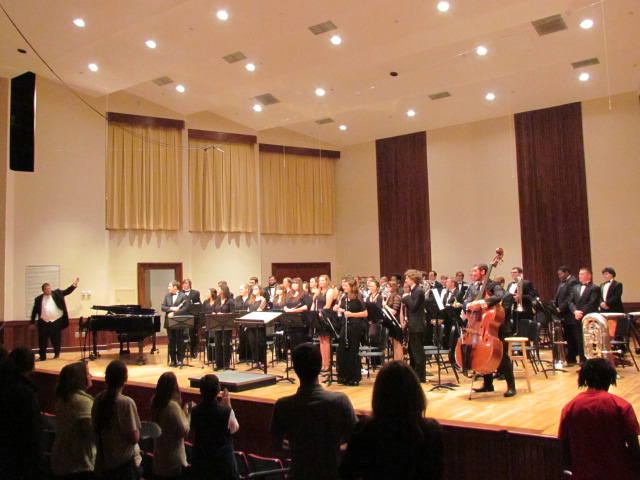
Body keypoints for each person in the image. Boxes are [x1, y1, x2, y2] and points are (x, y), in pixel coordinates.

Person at [341, 360, 444, 480]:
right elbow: (436, 474)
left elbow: (348, 473)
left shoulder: (364, 431)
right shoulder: (432, 431)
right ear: (416, 393)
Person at [270, 343, 357, 480]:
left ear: (295, 368)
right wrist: (330, 449)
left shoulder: (282, 405)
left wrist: (302, 449)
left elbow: (276, 445)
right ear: (320, 365)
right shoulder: (340, 401)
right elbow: (356, 443)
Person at [558, 358, 640, 480]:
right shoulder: (621, 405)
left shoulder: (570, 407)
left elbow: (564, 446)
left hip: (582, 474)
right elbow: (634, 447)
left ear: (584, 380)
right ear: (610, 379)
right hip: (618, 473)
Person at [463, 263, 515, 397]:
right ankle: (488, 384)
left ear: (483, 272)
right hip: (479, 324)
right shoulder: (472, 287)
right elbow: (466, 300)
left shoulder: (493, 285)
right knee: (482, 352)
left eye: (474, 271)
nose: (472, 273)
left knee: (502, 356)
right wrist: (468, 305)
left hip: (496, 325)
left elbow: (500, 296)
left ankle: (511, 386)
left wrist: (481, 303)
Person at [0, 347, 46, 480]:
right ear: (31, 366)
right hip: (20, 456)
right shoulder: (24, 391)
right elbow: (32, 430)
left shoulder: (7, 381)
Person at [92, 359, 141, 479]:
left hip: (103, 464)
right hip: (122, 469)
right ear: (125, 379)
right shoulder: (126, 403)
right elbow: (134, 438)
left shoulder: (98, 399)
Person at [51, 361, 96, 479]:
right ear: (79, 379)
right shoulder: (82, 403)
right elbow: (93, 434)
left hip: (62, 463)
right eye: (87, 374)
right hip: (78, 466)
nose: (91, 376)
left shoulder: (64, 398)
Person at [190, 374, 239, 480]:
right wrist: (228, 406)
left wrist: (222, 406)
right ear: (218, 390)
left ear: (201, 391)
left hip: (201, 463)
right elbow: (234, 428)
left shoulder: (194, 410)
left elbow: (208, 416)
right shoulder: (226, 411)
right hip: (222, 465)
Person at [150, 372, 190, 479]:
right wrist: (186, 415)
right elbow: (184, 431)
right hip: (172, 463)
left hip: (159, 460)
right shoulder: (172, 406)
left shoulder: (155, 402)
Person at [30, 277, 79, 361]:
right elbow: (34, 311)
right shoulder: (38, 299)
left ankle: (56, 354)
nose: (48, 290)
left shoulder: (57, 293)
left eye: (49, 288)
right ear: (43, 290)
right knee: (42, 340)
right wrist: (32, 322)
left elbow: (67, 291)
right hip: (43, 322)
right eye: (46, 289)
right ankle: (42, 356)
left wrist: (74, 285)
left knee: (56, 339)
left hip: (56, 321)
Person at [336, 277, 368, 386]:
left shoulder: (358, 297)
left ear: (352, 287)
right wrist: (340, 310)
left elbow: (365, 313)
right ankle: (344, 376)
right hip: (345, 325)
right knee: (343, 350)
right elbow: (343, 311)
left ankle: (354, 377)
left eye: (346, 286)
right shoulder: (344, 298)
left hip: (355, 326)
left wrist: (351, 314)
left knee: (353, 351)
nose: (344, 287)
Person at [568, 267, 600, 365]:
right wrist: (575, 311)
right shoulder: (576, 287)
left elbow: (592, 303)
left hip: (588, 318)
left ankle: (592, 362)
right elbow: (570, 301)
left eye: (582, 274)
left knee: (590, 340)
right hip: (577, 318)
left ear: (589, 275)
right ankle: (582, 362)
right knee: (579, 340)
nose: (580, 276)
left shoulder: (595, 288)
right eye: (579, 274)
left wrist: (581, 312)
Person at [401, 269, 427, 383]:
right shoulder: (414, 290)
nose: (405, 280)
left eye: (407, 278)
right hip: (412, 325)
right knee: (412, 351)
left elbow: (414, 307)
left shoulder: (418, 291)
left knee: (417, 352)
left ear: (413, 279)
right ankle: (414, 375)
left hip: (417, 325)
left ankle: (420, 376)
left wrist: (406, 297)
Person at [161, 281, 192, 367]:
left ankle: (180, 360)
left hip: (179, 322)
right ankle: (173, 360)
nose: (168, 288)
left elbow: (185, 308)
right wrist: (171, 308)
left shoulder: (183, 296)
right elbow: (163, 307)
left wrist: (174, 313)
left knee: (180, 341)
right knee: (171, 342)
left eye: (169, 286)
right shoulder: (167, 296)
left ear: (175, 287)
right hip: (169, 323)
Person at [555, 266, 581, 364]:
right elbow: (559, 297)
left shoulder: (573, 281)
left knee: (573, 337)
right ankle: (570, 358)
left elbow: (570, 298)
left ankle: (573, 356)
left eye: (561, 273)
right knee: (568, 336)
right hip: (564, 315)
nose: (559, 276)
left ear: (566, 272)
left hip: (570, 314)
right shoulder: (563, 282)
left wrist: (560, 308)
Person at [313, 275, 337, 371]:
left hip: (326, 317)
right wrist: (313, 313)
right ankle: (323, 362)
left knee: (326, 340)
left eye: (322, 280)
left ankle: (327, 363)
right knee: (321, 340)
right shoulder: (318, 292)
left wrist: (320, 312)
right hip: (318, 317)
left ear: (327, 281)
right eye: (319, 280)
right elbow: (314, 304)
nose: (320, 282)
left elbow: (328, 305)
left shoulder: (330, 291)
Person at [213, 285, 236, 370]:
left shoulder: (230, 301)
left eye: (218, 289)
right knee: (217, 344)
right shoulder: (217, 301)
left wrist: (223, 315)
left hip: (226, 326)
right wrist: (214, 314)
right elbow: (214, 311)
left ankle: (226, 363)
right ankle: (218, 364)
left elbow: (233, 313)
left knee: (226, 344)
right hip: (217, 325)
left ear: (223, 291)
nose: (217, 290)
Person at [247, 284, 268, 369]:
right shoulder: (251, 300)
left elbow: (260, 310)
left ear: (260, 290)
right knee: (252, 343)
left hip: (259, 325)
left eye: (256, 289)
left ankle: (262, 361)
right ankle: (255, 361)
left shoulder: (263, 299)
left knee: (260, 343)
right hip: (251, 325)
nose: (254, 290)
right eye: (253, 289)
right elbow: (248, 311)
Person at [182, 279, 202, 359]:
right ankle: (182, 351)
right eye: (183, 283)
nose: (184, 285)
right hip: (183, 316)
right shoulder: (180, 293)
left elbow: (198, 304)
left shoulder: (195, 293)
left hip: (193, 316)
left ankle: (193, 351)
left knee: (192, 334)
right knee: (183, 334)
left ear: (190, 284)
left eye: (186, 283)